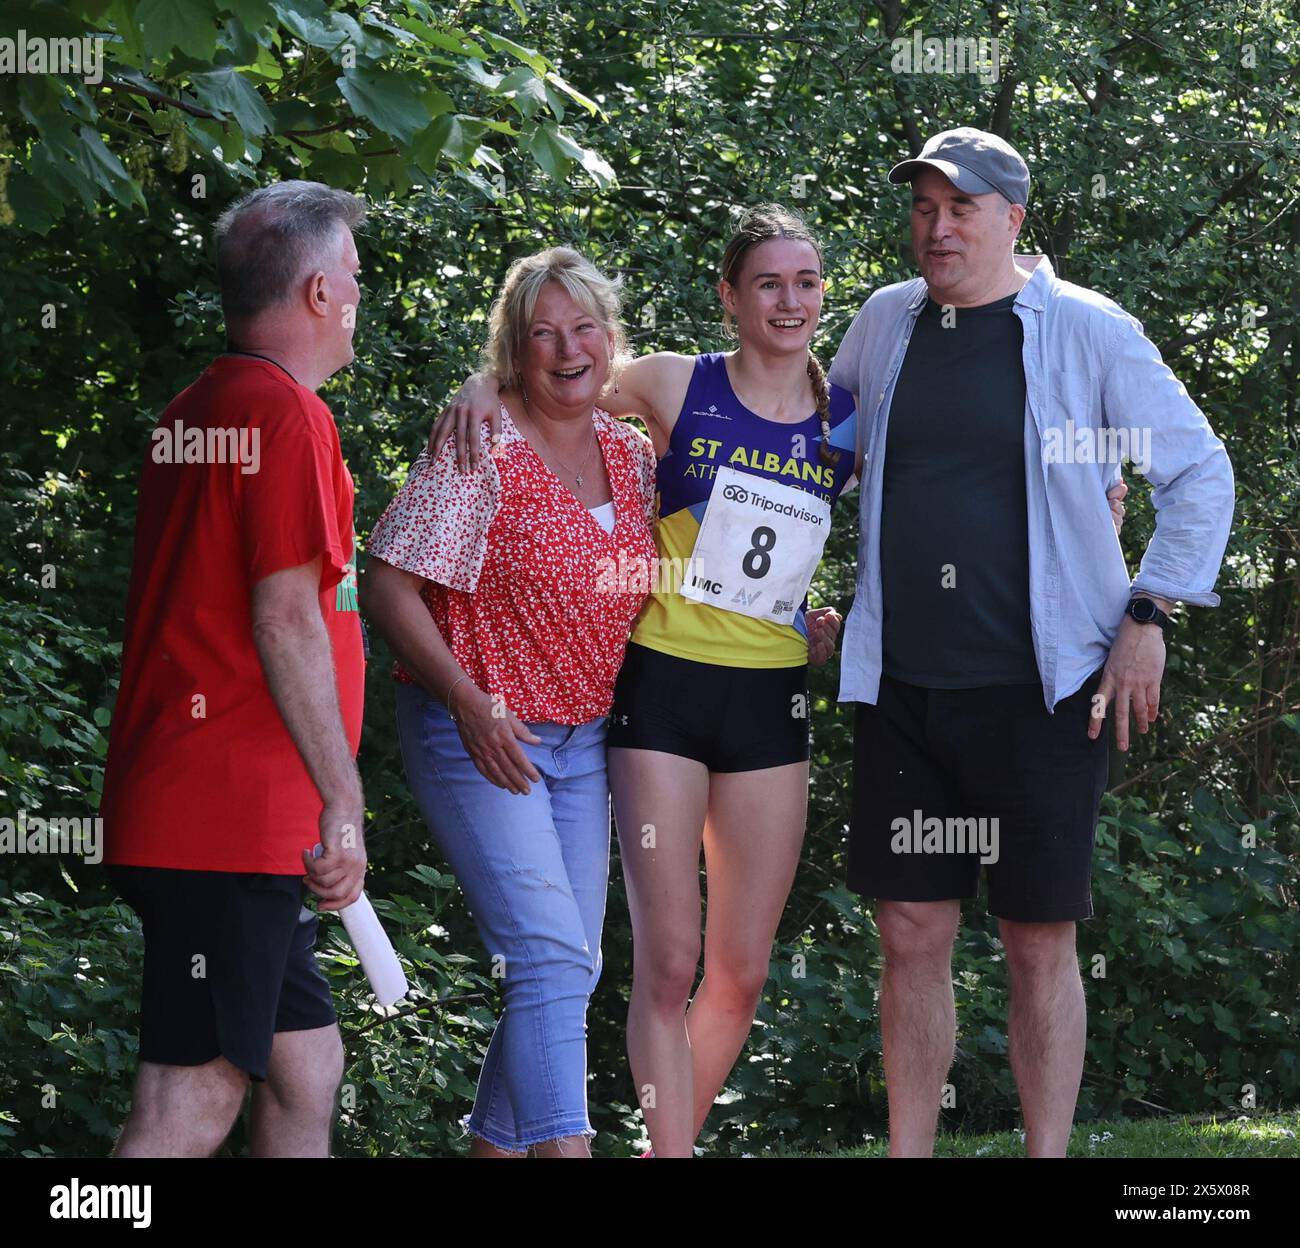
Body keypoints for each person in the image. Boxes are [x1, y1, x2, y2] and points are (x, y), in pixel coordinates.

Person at [432, 204, 1128, 1158]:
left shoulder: (850, 414)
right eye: (767, 282)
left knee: (741, 974)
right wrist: (479, 384)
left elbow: (960, 474)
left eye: (806, 282)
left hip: (771, 699)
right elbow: (560, 369)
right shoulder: (677, 383)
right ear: (729, 296)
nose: (789, 300)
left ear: (824, 295)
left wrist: (1095, 499)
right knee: (667, 963)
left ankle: (646, 1146)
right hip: (664, 691)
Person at [829, 127, 1235, 1157]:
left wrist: (1148, 616)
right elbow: (805, 448)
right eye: (922, 207)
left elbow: (1197, 472)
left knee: (1036, 938)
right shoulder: (884, 323)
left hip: (1045, 693)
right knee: (910, 935)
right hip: (901, 689)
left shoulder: (1087, 330)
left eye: (960, 207)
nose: (937, 226)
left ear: (1013, 216)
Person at [360, 248, 658, 1157]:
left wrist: (790, 623)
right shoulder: (478, 445)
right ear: (512, 354)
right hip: (480, 734)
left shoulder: (632, 451)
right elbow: (385, 585)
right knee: (547, 960)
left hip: (585, 739)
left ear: (609, 337)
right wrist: (467, 700)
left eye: (583, 328)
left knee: (573, 966)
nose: (567, 349)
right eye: (542, 335)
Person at [100, 181, 369, 1157]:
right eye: (352, 276)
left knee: (305, 1070)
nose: (359, 293)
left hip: (211, 812)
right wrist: (343, 800)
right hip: (224, 821)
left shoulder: (199, 407)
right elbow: (286, 617)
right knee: (191, 1100)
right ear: (314, 294)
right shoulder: (286, 416)